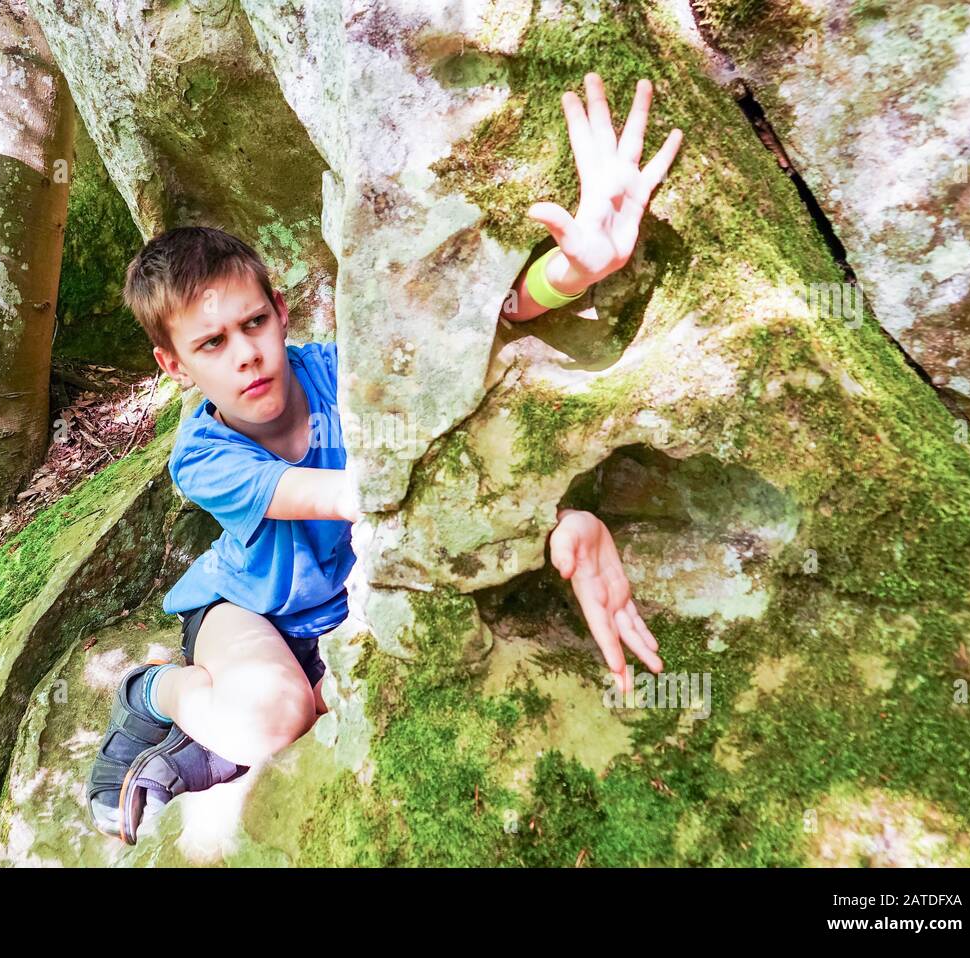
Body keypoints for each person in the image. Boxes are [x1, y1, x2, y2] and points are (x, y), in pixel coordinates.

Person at [87, 73, 682, 844]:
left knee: (381, 674)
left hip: (352, 601)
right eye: (211, 343)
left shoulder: (338, 369)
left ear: (282, 312)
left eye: (254, 323)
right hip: (248, 609)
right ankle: (153, 694)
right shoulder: (202, 456)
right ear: (175, 367)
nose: (246, 355)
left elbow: (465, 333)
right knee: (272, 718)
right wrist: (541, 521)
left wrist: (573, 271)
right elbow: (353, 494)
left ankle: (213, 736)